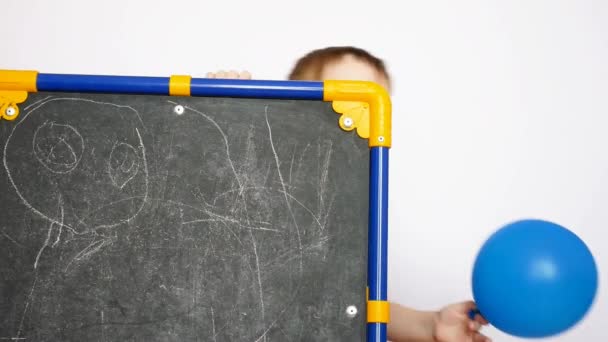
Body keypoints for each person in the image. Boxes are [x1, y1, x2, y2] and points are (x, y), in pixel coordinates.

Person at [207, 46, 491, 342]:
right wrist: (228, 113)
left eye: (370, 107)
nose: (354, 120)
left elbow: (349, 305)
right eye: (342, 103)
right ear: (290, 108)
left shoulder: (347, 209)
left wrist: (430, 325)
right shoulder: (257, 170)